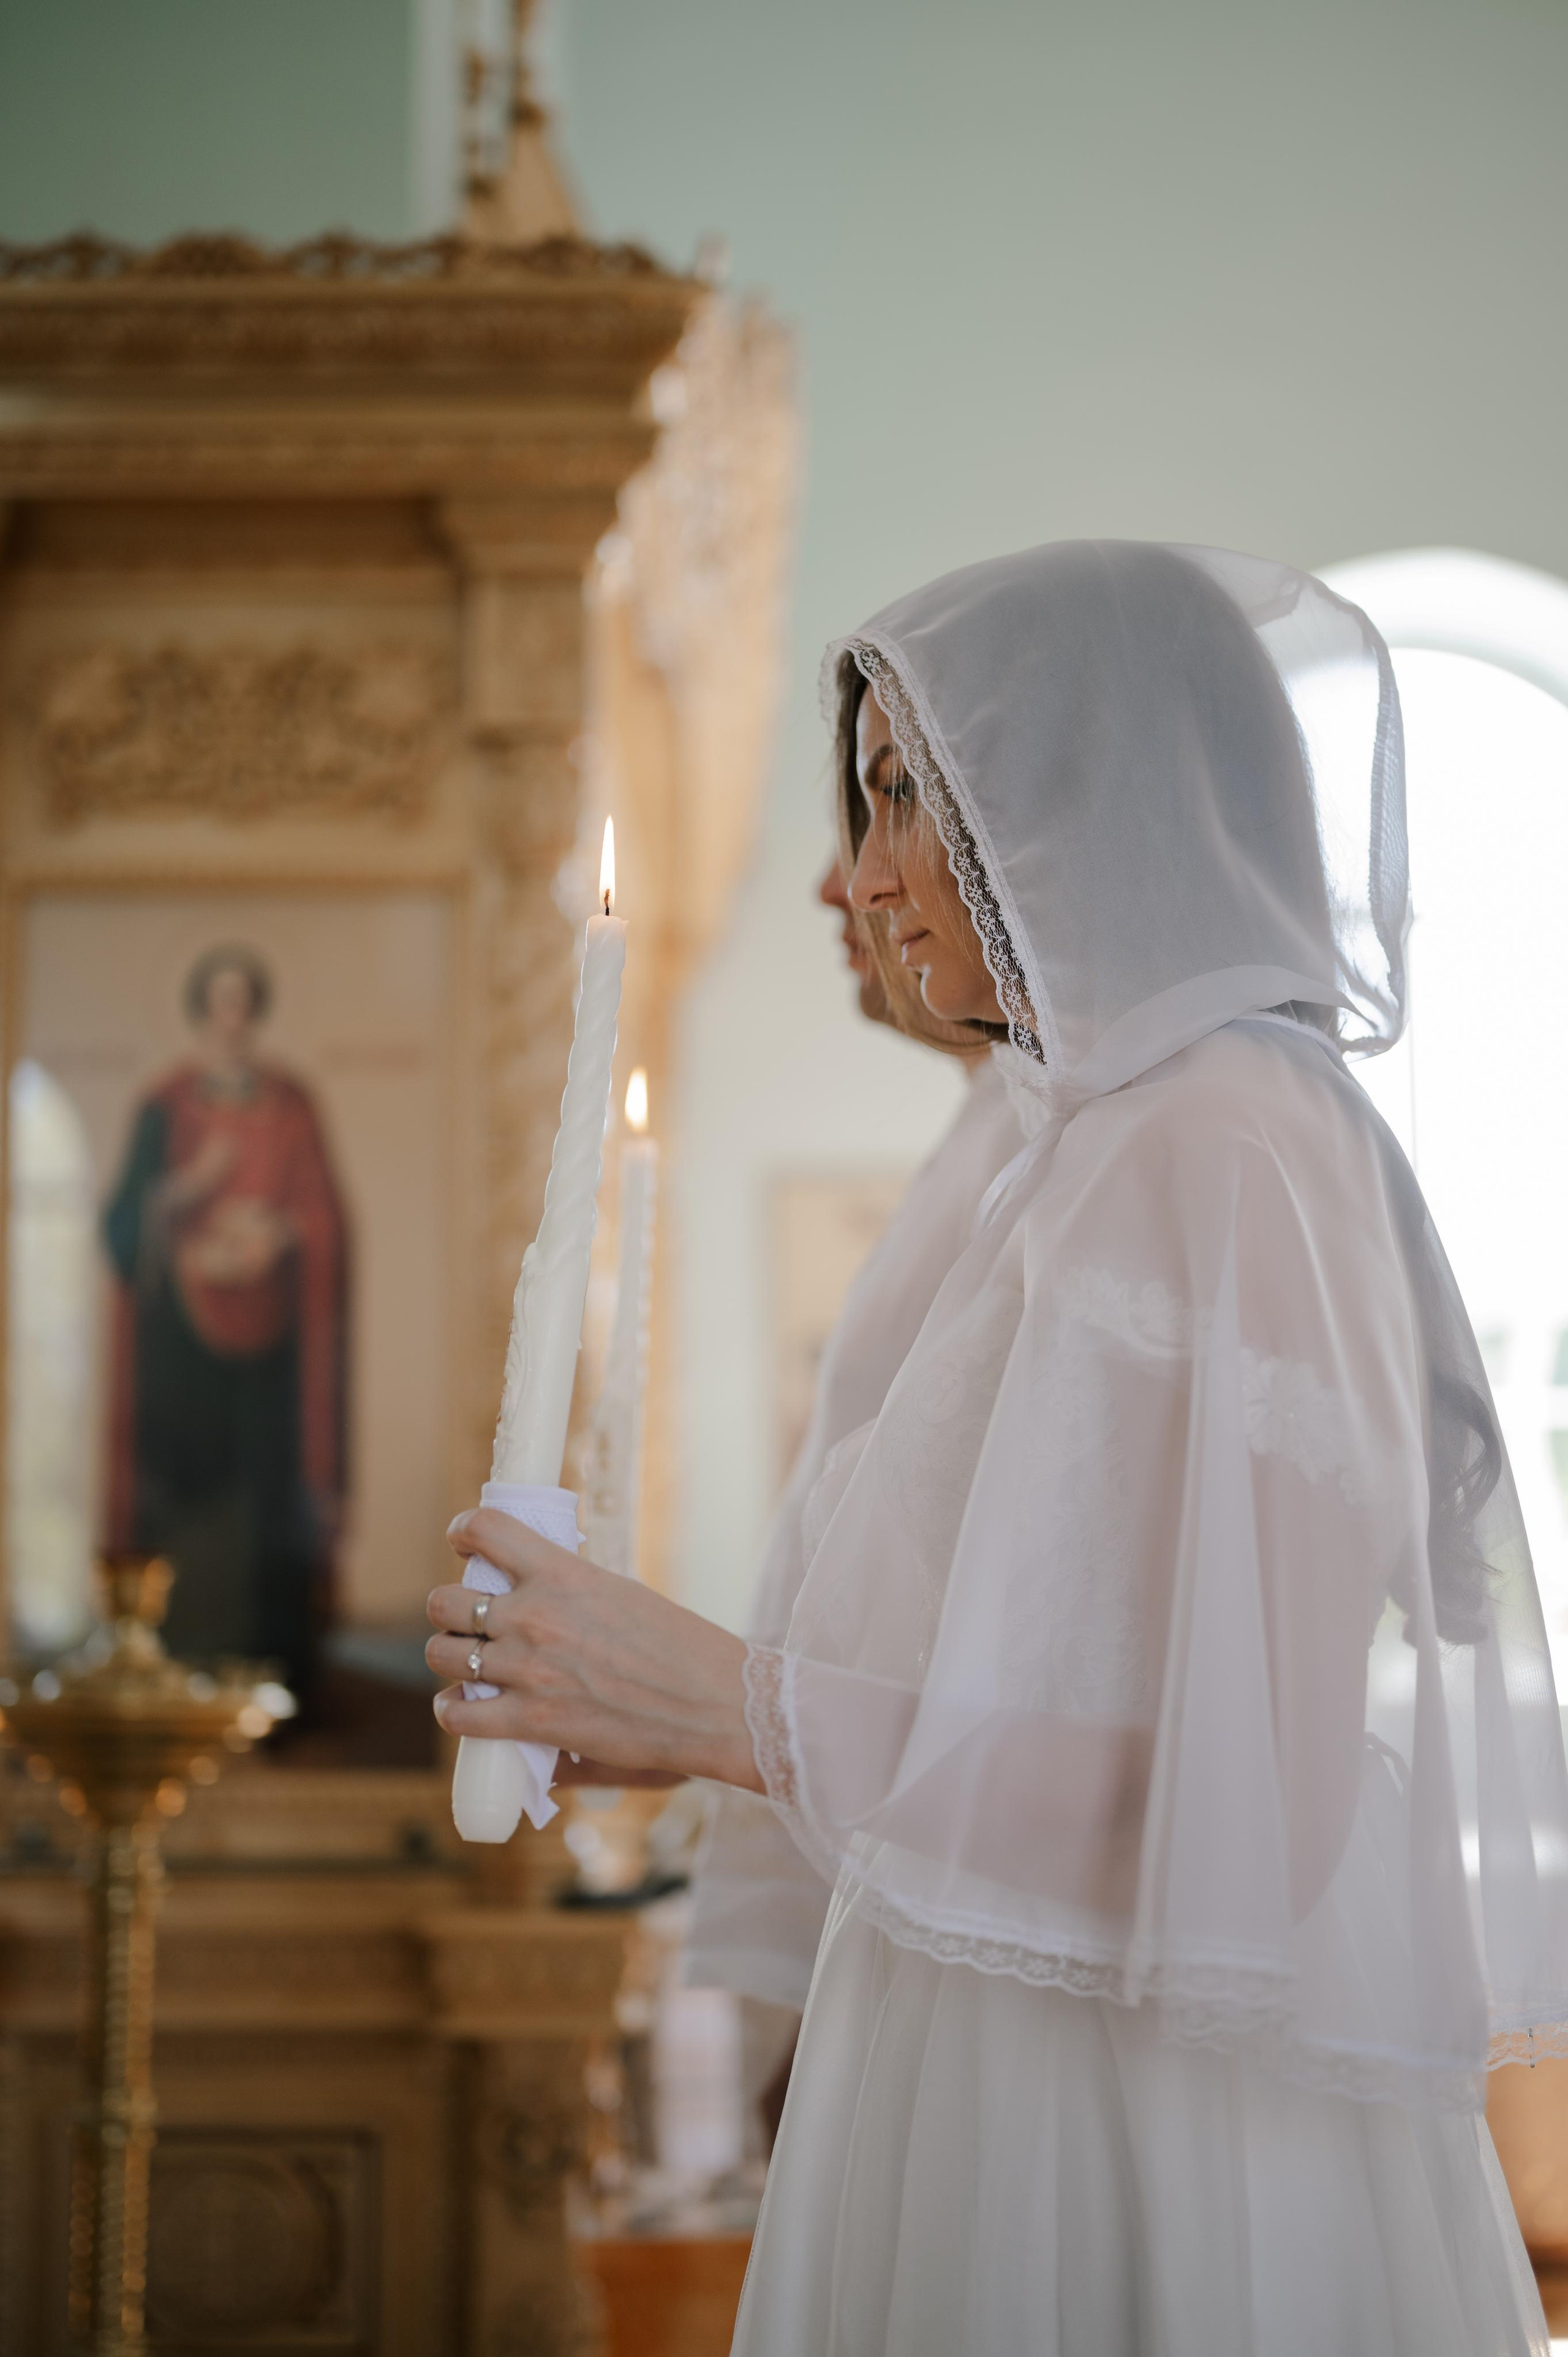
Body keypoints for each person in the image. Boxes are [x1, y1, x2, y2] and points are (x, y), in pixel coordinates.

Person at [428, 542, 1568, 2354]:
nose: (861, 874)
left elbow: (1255, 1805)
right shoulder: (1083, 1140)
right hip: (982, 2005)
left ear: (1084, 791)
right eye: (871, 797)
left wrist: (728, 1704)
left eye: (903, 796)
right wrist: (647, 1700)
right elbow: (978, 1661)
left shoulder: (1221, 1138)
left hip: (1128, 2103)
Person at [681, 848, 1022, 2139]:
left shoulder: (1083, 1156)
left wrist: (708, 1705)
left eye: (892, 802)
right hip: (897, 1911)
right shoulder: (990, 1134)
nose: (836, 887)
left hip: (973, 1936)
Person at [104, 945, 348, 1697]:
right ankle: (178, 1672)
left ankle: (271, 1685)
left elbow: (326, 1219)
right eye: (219, 1000)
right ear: (202, 1010)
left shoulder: (290, 1104)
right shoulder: (165, 1105)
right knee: (188, 1502)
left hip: (271, 1352)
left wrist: (276, 1234)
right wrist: (186, 1191)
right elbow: (121, 1229)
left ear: (256, 1011)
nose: (231, 1015)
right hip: (181, 1349)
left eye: (244, 1001)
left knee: (266, 1507)